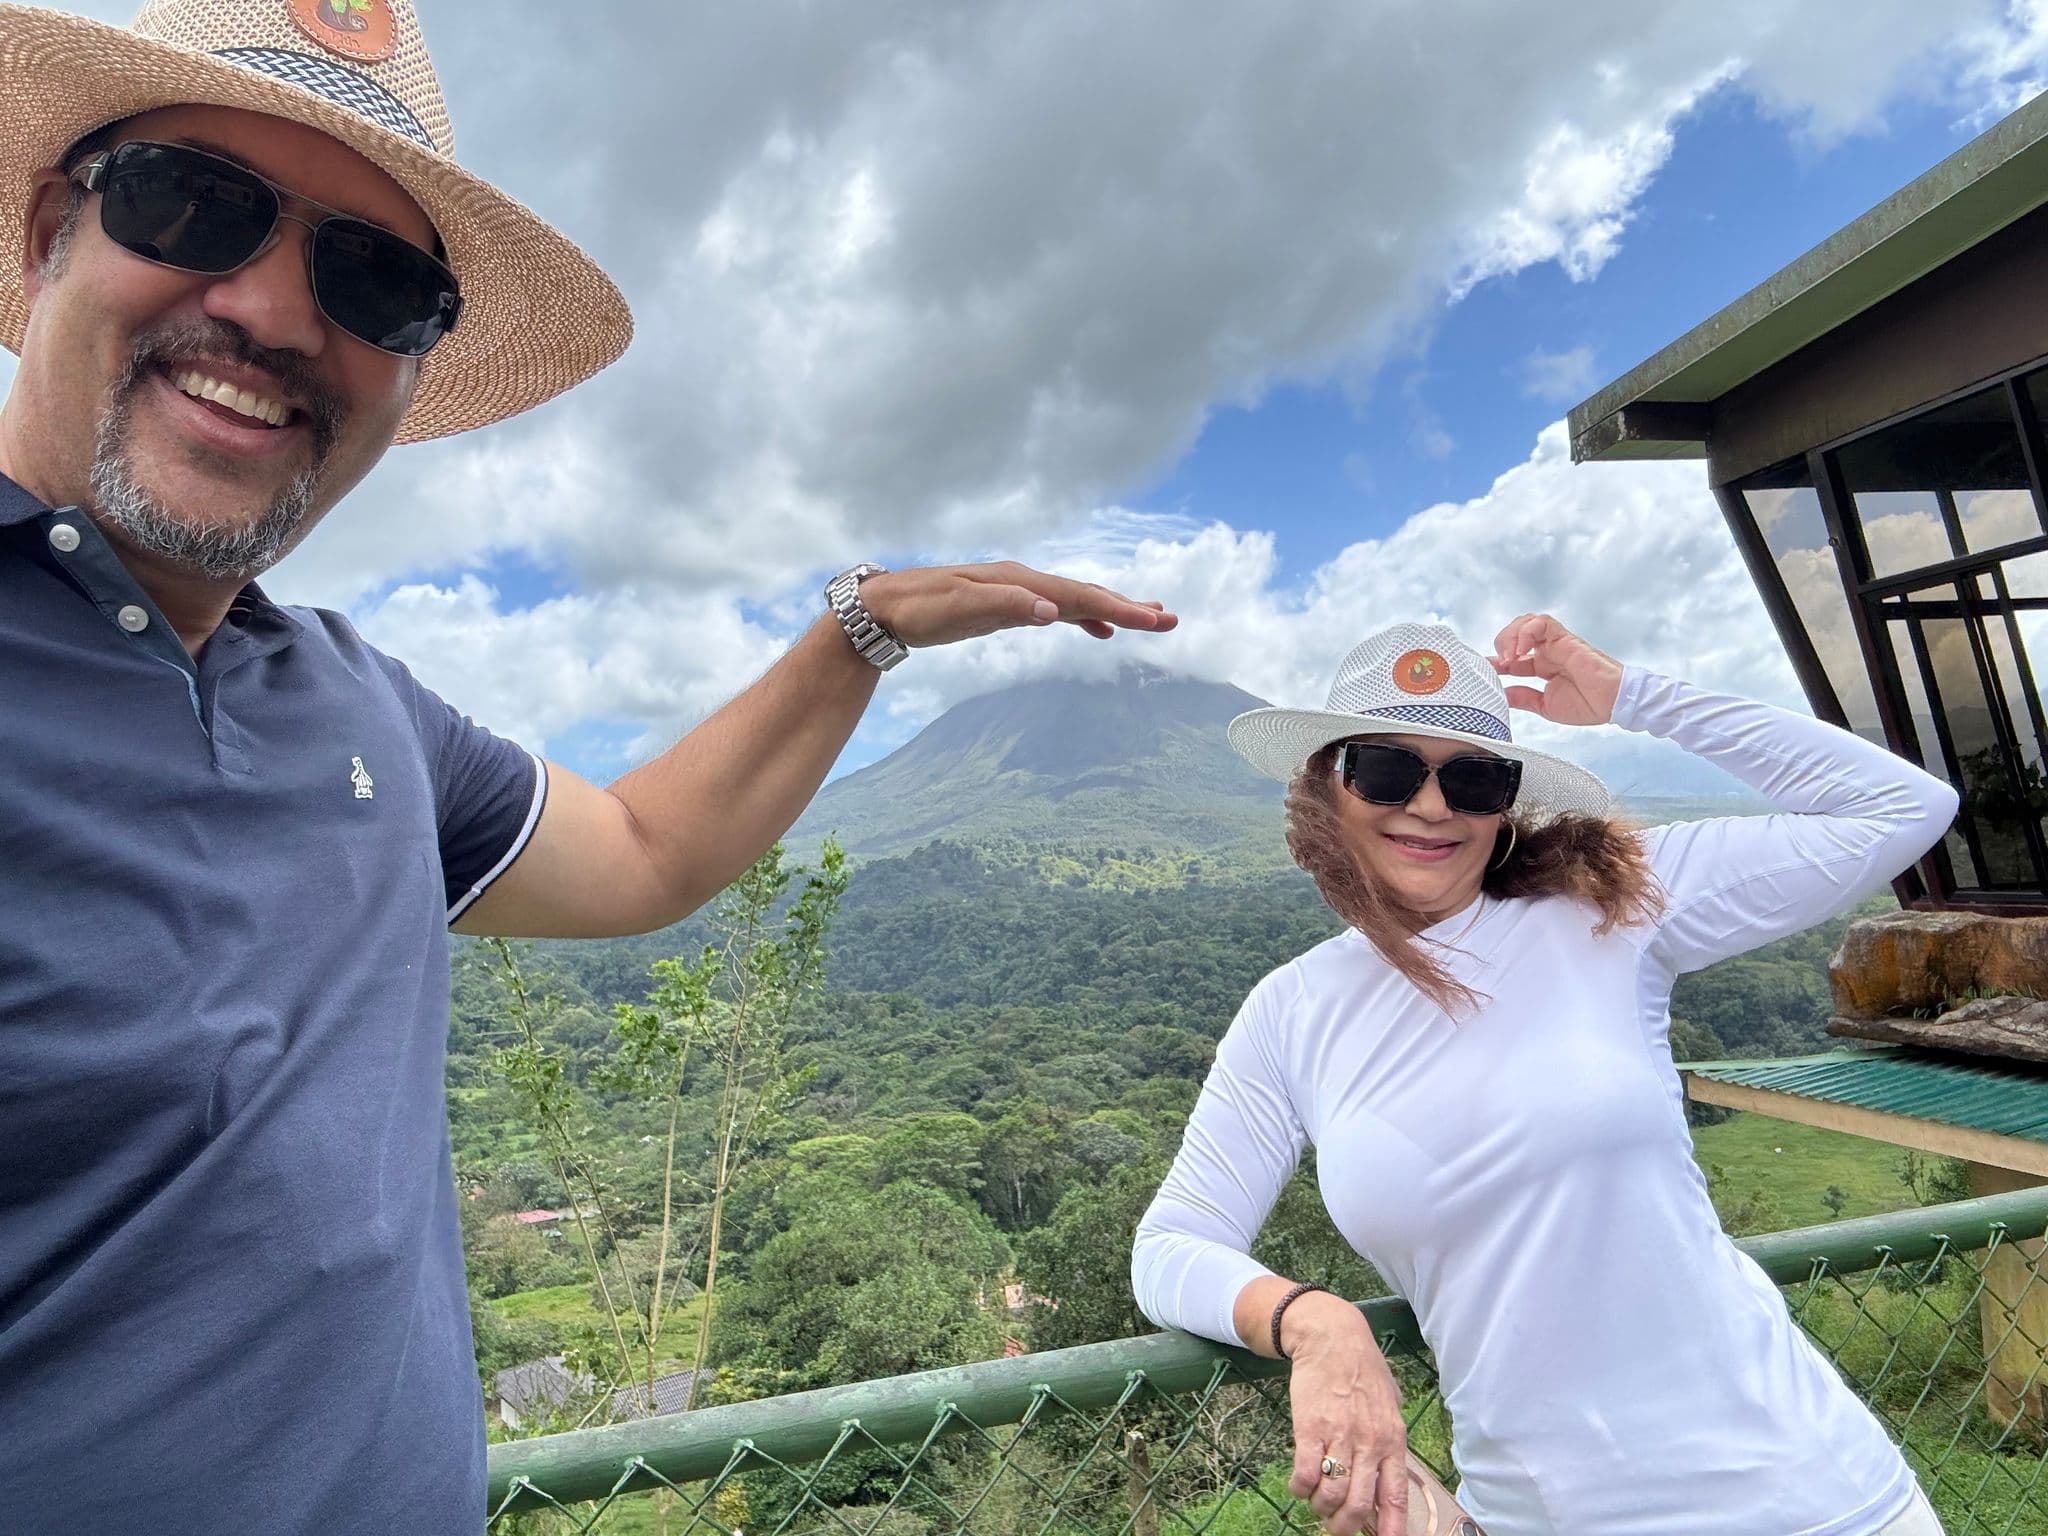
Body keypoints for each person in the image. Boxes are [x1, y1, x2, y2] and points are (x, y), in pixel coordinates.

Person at [0, 3, 1175, 1532]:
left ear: (410, 370)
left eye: (378, 280)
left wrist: (858, 633)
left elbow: (637, 850)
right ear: (45, 233)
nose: (280, 315)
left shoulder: (353, 708)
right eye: (194, 201)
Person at [1131, 617, 1959, 1536]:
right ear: (1330, 783)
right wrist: (1313, 1324)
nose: (1433, 807)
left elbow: (1903, 809)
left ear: (1508, 801)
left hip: (1808, 1503)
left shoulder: (1607, 908)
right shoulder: (1293, 1012)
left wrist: (1633, 696)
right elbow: (1172, 1245)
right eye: (1388, 769)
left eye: (1474, 777)